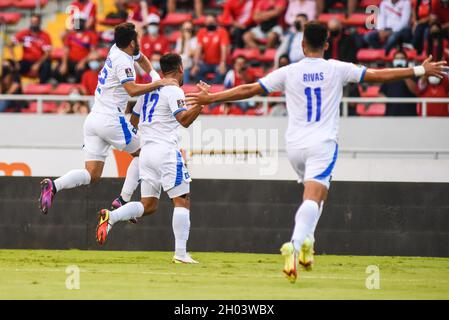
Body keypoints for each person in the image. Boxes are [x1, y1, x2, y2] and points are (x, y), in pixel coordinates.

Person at [186, 21, 448, 283]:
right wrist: (418, 69)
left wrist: (212, 98)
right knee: (314, 196)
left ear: (301, 45)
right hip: (322, 144)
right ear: (326, 44)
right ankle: (296, 244)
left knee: (318, 192)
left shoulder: (288, 71)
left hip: (294, 147)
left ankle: (309, 241)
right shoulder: (337, 68)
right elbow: (378, 75)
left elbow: (250, 89)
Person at [38, 23, 178, 216]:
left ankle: (54, 185)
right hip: (111, 119)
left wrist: (154, 77)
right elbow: (132, 90)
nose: (139, 42)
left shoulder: (117, 48)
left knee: (92, 174)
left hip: (94, 119)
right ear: (131, 42)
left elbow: (142, 58)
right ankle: (124, 199)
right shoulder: (123, 61)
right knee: (145, 152)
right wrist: (160, 83)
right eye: (137, 39)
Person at [96, 53, 205, 264]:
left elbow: (134, 120)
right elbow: (184, 120)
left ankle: (112, 217)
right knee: (182, 200)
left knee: (149, 205)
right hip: (165, 151)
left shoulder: (149, 90)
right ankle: (181, 254)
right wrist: (201, 104)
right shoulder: (174, 89)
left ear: (162, 70)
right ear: (181, 68)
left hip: (146, 153)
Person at [10, 14, 52, 84]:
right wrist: (15, 61)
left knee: (46, 65)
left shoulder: (45, 35)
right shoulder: (24, 33)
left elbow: (47, 53)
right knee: (9, 66)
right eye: (32, 21)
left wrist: (38, 64)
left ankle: (41, 87)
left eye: (36, 21)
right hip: (26, 61)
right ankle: (15, 87)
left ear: (39, 22)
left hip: (40, 62)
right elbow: (11, 45)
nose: (34, 23)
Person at [191, 15, 230, 84]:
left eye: (212, 22)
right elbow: (198, 49)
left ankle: (212, 89)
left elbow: (224, 48)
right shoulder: (201, 32)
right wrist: (195, 65)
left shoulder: (222, 31)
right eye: (208, 22)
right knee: (195, 73)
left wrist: (222, 63)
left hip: (218, 63)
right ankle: (206, 87)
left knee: (221, 74)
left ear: (216, 22)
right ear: (205, 23)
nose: (210, 24)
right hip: (206, 63)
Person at [58, 17, 99, 83]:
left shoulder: (91, 35)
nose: (78, 24)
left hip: (84, 61)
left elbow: (93, 52)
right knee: (58, 70)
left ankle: (79, 88)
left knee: (81, 71)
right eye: (77, 22)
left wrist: (83, 62)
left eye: (81, 22)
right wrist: (64, 64)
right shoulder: (70, 35)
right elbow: (66, 51)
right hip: (71, 61)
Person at [380, 50, 418, 116]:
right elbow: (381, 92)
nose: (399, 60)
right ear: (393, 60)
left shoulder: (413, 74)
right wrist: (384, 99)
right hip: (391, 114)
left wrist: (404, 73)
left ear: (406, 60)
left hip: (409, 115)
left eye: (402, 58)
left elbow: (416, 91)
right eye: (397, 58)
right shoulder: (389, 75)